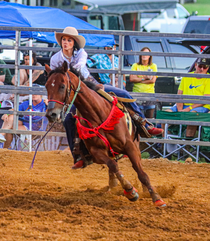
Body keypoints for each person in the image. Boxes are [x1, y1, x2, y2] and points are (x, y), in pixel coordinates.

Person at [49, 26, 162, 169]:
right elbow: (55, 80)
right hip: (72, 92)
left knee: (123, 94)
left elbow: (77, 69)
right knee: (68, 120)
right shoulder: (55, 59)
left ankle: (143, 123)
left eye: (69, 40)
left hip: (89, 84)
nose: (66, 43)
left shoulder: (80, 53)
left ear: (74, 42)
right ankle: (77, 154)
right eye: (64, 40)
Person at [129, 47, 157, 118]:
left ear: (149, 56)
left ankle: (149, 129)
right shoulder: (135, 65)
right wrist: (145, 77)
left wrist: (138, 79)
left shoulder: (153, 66)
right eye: (142, 53)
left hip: (149, 94)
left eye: (146, 54)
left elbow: (152, 80)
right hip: (137, 94)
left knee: (149, 117)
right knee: (138, 118)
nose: (144, 55)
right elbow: (131, 79)